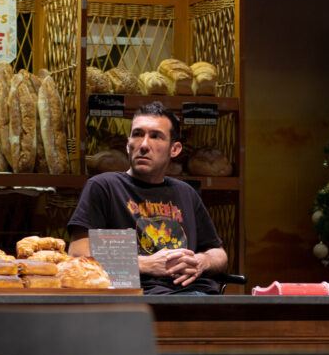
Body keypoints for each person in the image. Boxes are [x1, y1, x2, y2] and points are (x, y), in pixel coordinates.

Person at [67, 101, 228, 295]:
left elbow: (219, 253)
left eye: (156, 136)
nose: (144, 145)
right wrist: (145, 264)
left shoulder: (186, 192)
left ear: (174, 149)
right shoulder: (104, 186)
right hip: (139, 299)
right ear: (128, 144)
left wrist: (203, 261)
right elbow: (77, 253)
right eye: (137, 134)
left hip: (198, 296)